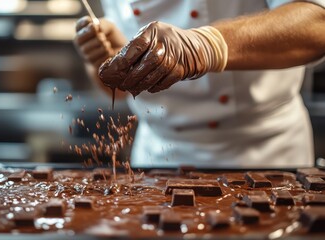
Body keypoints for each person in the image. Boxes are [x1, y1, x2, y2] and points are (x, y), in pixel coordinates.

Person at [74, 0, 325, 168]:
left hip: (262, 151)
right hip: (158, 155)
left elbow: (317, 22)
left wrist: (209, 44)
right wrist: (109, 62)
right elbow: (118, 92)